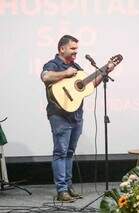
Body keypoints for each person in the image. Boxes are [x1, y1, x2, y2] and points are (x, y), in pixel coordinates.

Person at [40, 35, 104, 202]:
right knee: (60, 152)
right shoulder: (53, 64)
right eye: (73, 48)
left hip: (76, 114)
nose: (77, 51)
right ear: (62, 49)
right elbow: (45, 77)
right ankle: (61, 190)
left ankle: (68, 187)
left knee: (69, 152)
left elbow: (87, 86)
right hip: (59, 115)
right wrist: (65, 73)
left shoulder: (76, 66)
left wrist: (105, 71)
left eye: (77, 48)